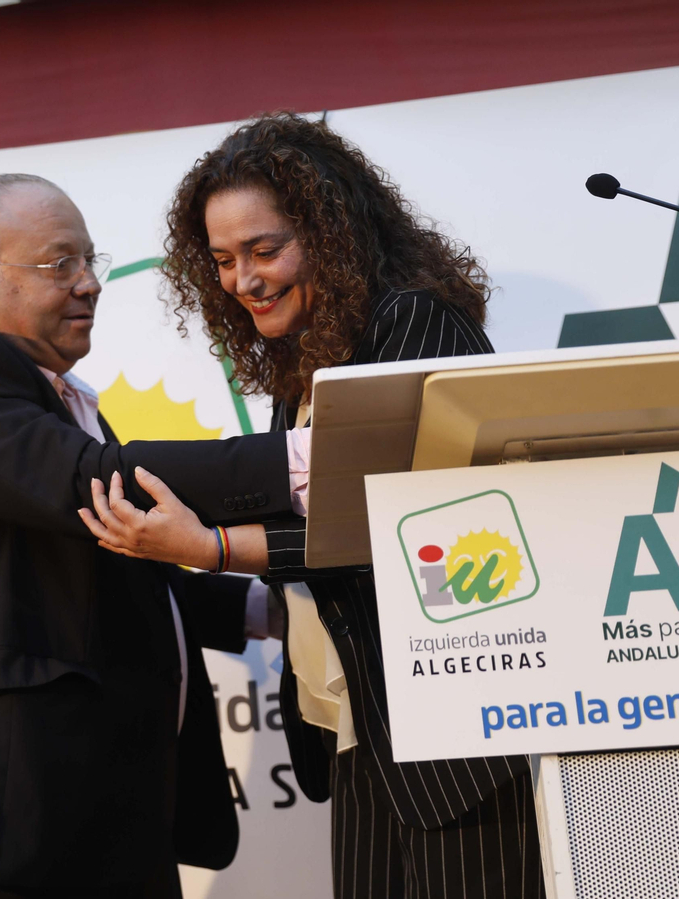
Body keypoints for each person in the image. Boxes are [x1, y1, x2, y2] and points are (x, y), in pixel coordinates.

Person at [80, 114, 543, 899]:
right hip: (357, 731)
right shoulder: (306, 364)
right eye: (223, 260)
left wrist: (212, 545)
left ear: (332, 232)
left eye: (266, 249)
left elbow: (400, 526)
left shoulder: (412, 320)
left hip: (450, 741)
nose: (243, 279)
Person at [0, 173, 304, 898]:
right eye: (58, 264)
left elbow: (122, 564)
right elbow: (94, 483)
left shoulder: (47, 396)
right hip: (25, 829)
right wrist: (299, 459)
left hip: (108, 815)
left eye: (89, 261)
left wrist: (268, 610)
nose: (89, 283)